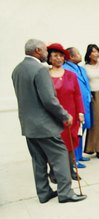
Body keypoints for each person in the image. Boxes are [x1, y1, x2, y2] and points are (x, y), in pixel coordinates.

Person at [12, 39, 86, 203]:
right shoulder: (40, 70)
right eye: (45, 50)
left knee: (38, 160)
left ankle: (44, 192)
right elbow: (49, 100)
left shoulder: (17, 70)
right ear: (38, 50)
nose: (47, 53)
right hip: (44, 125)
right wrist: (65, 115)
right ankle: (65, 192)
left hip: (28, 125)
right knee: (60, 154)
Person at [47, 43, 85, 179]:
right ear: (49, 58)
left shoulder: (71, 75)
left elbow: (78, 95)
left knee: (70, 143)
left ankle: (71, 170)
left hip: (71, 116)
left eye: (61, 56)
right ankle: (54, 172)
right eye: (55, 56)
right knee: (54, 145)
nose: (59, 58)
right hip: (53, 117)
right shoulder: (45, 75)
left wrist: (81, 113)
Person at [64, 47, 92, 167]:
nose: (81, 55)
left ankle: (79, 155)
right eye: (79, 53)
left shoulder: (81, 69)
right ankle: (73, 160)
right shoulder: (65, 69)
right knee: (75, 131)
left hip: (85, 103)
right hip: (75, 106)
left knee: (82, 130)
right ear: (71, 56)